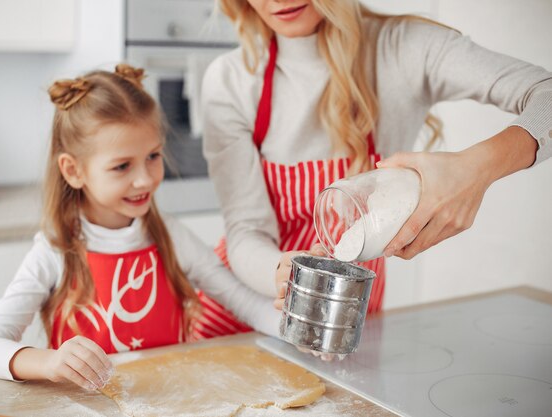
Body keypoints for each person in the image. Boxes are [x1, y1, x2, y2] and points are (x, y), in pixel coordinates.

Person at [201, 0, 552, 315]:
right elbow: (245, 230)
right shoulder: (232, 78)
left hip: (345, 311)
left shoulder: (404, 48)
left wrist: (474, 169)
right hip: (241, 307)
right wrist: (281, 272)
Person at [0, 64, 280, 390]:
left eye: (153, 156)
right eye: (122, 166)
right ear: (73, 171)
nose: (144, 178)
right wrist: (50, 361)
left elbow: (246, 303)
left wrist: (305, 334)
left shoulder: (170, 236)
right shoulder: (55, 250)